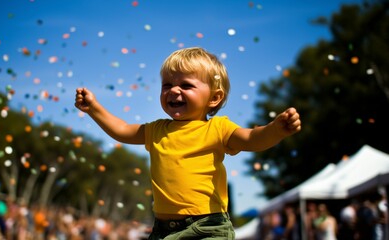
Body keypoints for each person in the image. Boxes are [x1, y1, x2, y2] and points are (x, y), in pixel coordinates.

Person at [75, 47, 301, 239]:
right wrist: (94, 109)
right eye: (167, 85)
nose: (174, 90)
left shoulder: (218, 128)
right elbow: (122, 131)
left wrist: (275, 130)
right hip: (163, 230)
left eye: (186, 85)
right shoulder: (156, 130)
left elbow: (253, 139)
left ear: (214, 98)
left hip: (207, 227)